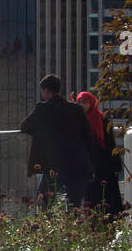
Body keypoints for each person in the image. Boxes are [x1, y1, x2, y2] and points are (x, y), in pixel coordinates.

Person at [21, 74, 95, 208]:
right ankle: (72, 228)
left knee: (44, 202)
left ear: (46, 91)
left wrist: (43, 132)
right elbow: (88, 138)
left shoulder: (42, 109)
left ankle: (47, 228)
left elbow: (25, 126)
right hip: (78, 164)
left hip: (53, 165)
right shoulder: (76, 109)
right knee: (74, 205)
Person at [76, 90, 124, 217]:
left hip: (103, 164)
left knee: (108, 196)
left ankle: (109, 223)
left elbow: (110, 143)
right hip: (88, 165)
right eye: (79, 102)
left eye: (84, 102)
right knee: (91, 199)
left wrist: (116, 165)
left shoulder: (101, 119)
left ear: (91, 103)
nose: (82, 105)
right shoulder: (79, 120)